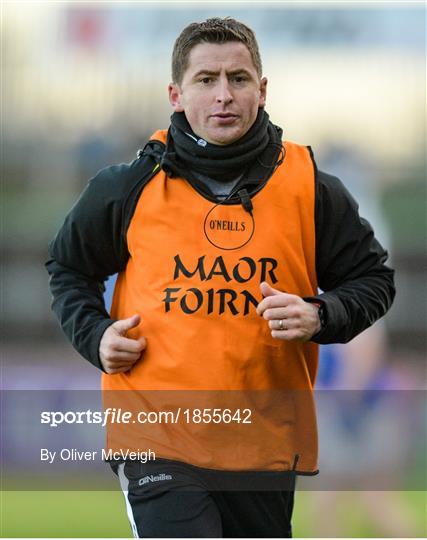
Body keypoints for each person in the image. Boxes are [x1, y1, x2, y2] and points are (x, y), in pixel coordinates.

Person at [46, 17, 395, 538]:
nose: (224, 95)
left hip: (263, 441)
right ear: (177, 94)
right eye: (206, 80)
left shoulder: (312, 189)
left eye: (238, 78)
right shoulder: (126, 187)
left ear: (262, 89)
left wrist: (320, 313)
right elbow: (67, 268)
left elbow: (374, 280)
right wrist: (95, 336)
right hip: (157, 436)